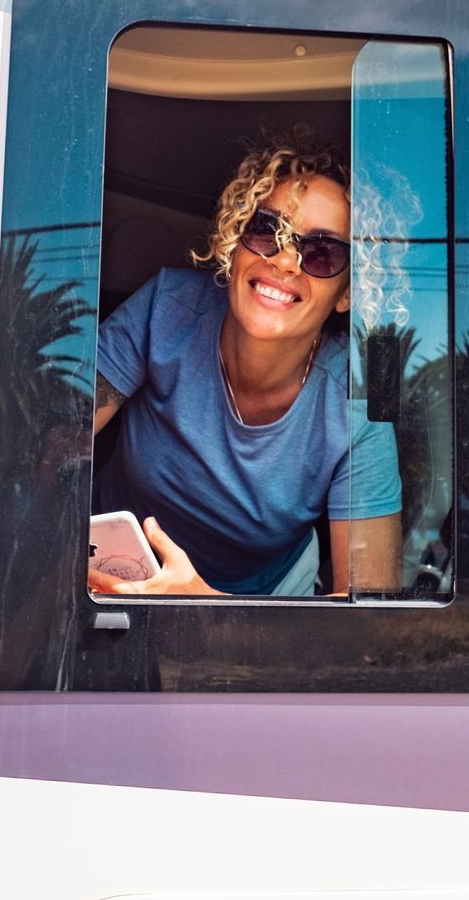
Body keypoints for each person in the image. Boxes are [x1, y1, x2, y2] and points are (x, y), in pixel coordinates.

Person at [87, 132, 402, 596]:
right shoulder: (167, 307)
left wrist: (202, 602)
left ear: (349, 293)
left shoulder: (357, 404)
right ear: (236, 244)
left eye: (321, 253)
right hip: (104, 564)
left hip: (267, 611)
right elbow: (50, 442)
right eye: (267, 230)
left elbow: (372, 614)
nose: (287, 261)